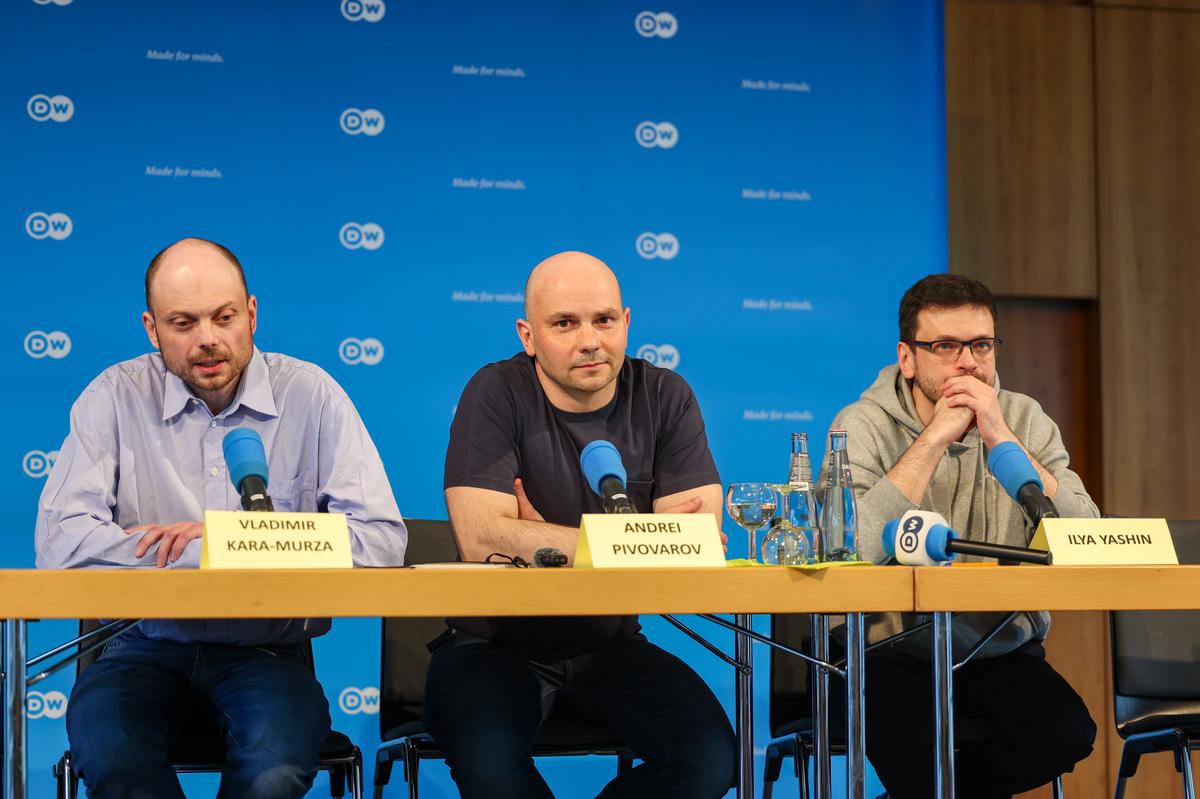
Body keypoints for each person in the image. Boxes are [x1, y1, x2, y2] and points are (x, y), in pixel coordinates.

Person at [35, 237, 407, 799]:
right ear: (151, 329)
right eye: (182, 323)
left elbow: (381, 541)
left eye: (223, 317)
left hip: (267, 652)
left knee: (273, 773)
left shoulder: (312, 395)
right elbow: (61, 546)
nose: (207, 339)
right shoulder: (114, 397)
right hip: (140, 645)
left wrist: (225, 540)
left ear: (251, 314)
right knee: (113, 757)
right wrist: (212, 555)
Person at [427, 250, 736, 798]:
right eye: (564, 324)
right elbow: (481, 540)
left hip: (610, 645)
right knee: (493, 770)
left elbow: (696, 542)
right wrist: (637, 537)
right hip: (492, 647)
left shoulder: (666, 396)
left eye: (604, 320)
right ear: (528, 335)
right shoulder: (495, 393)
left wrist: (544, 542)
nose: (590, 340)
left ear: (627, 324)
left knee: (710, 761)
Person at [826, 273, 1098, 798]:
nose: (968, 362)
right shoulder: (859, 425)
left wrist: (1003, 438)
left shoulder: (1024, 418)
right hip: (886, 655)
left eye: (980, 345)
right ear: (908, 358)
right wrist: (932, 441)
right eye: (945, 346)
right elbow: (846, 547)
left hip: (995, 648)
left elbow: (1086, 537)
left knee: (1065, 733)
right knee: (915, 752)